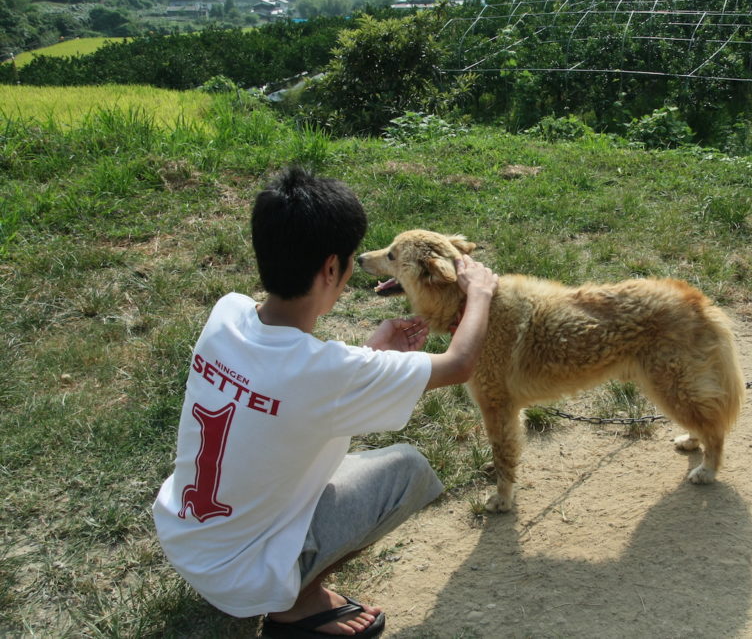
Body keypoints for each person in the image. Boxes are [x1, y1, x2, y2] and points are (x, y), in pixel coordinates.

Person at [152, 166, 498, 638]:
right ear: (332, 268)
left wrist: (372, 356)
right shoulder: (330, 374)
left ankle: (283, 580)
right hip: (242, 577)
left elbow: (299, 382)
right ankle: (297, 604)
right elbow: (458, 364)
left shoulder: (225, 313)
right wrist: (478, 293)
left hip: (185, 534)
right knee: (409, 469)